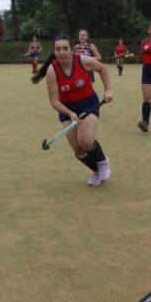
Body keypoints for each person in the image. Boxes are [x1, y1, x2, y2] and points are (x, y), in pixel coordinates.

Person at [31, 34, 114, 187]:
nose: (61, 52)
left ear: (72, 49)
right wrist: (69, 113)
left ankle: (102, 162)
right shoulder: (52, 70)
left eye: (65, 48)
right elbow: (54, 101)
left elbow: (102, 69)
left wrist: (108, 90)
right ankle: (96, 170)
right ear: (54, 52)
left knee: (85, 141)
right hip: (67, 110)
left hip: (88, 104)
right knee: (78, 149)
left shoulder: (82, 60)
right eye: (58, 49)